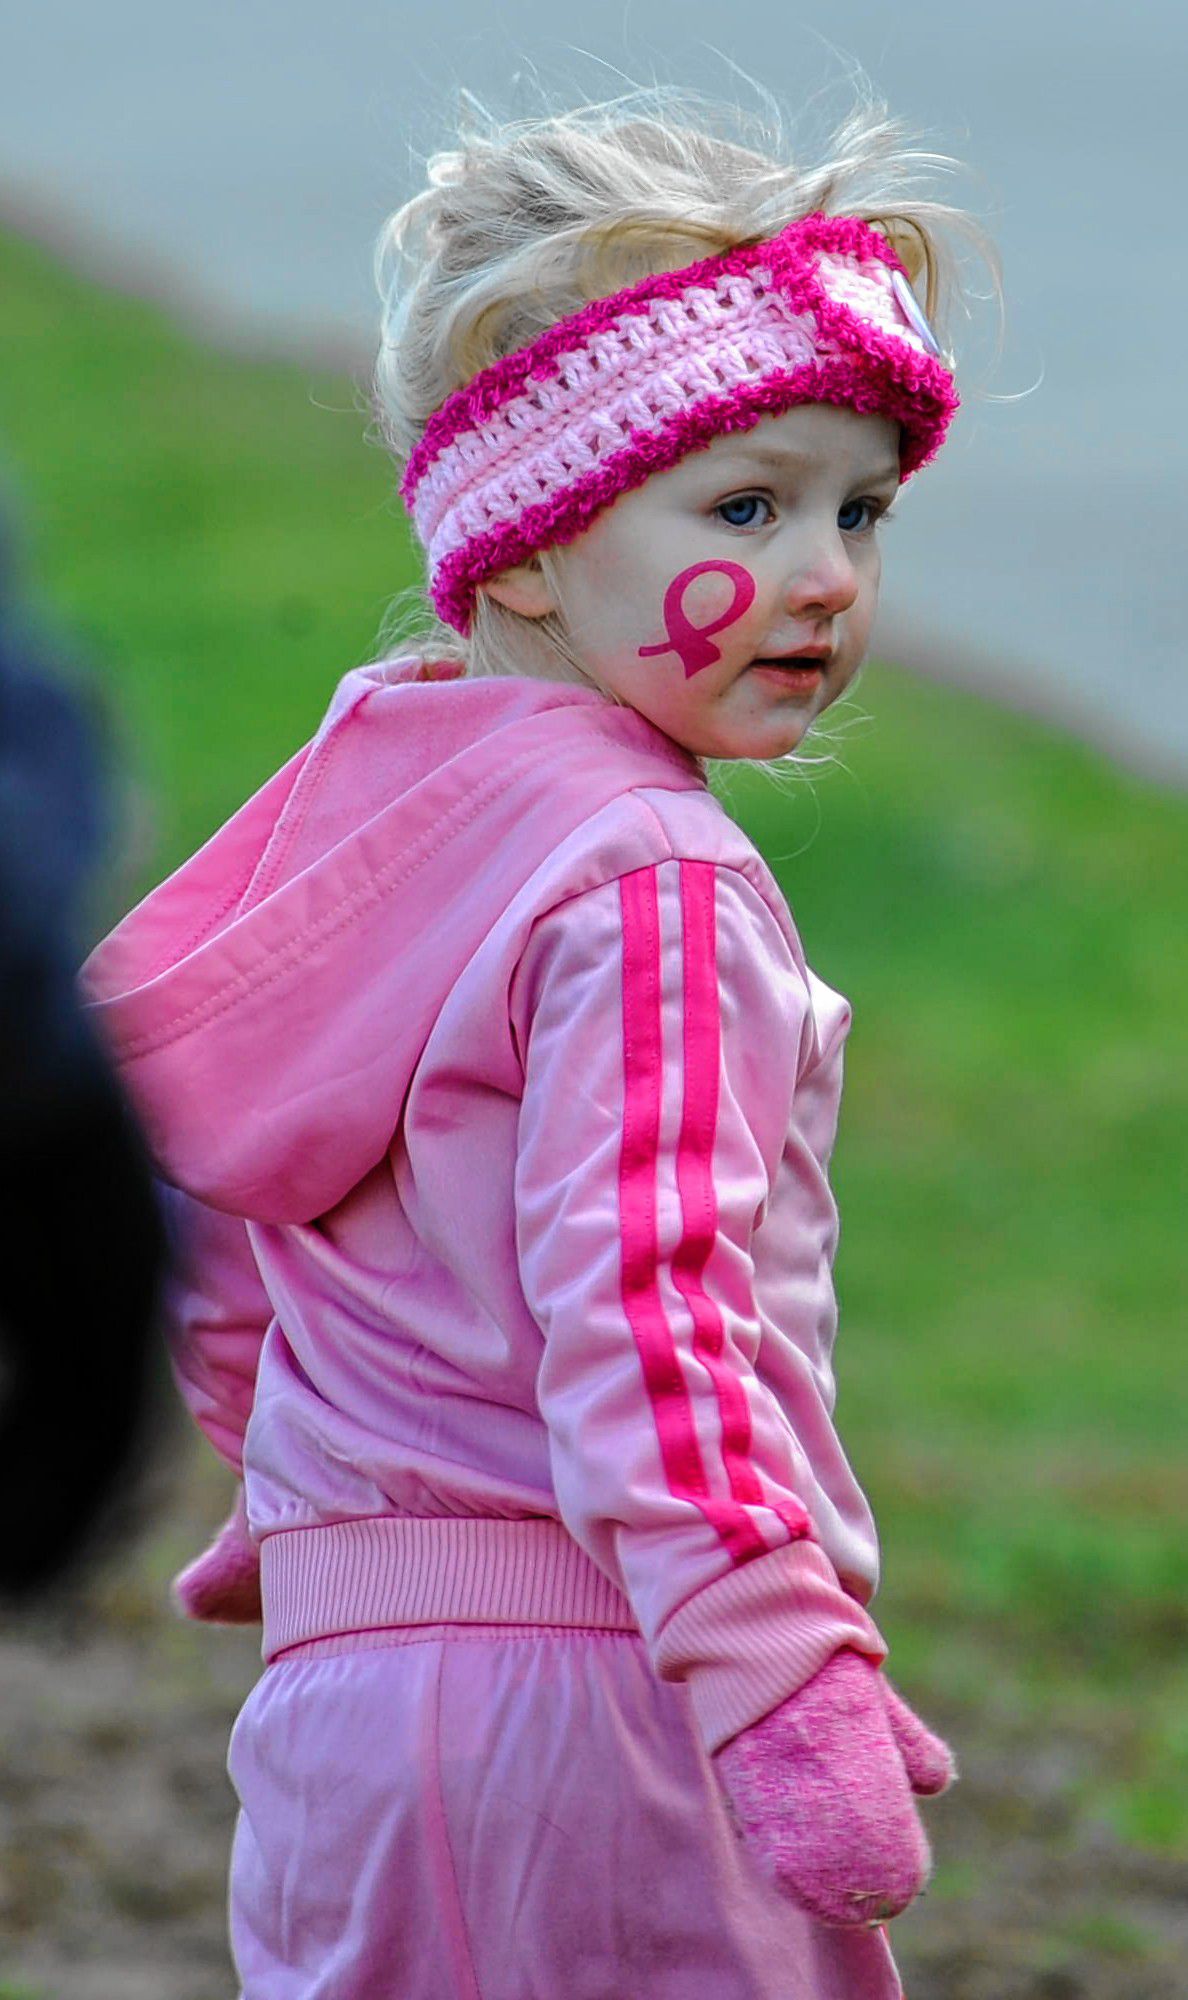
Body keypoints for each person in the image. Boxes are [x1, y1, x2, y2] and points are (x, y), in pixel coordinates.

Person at [81, 81, 1000, 2000]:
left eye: (857, 509)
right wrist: (784, 1676)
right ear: (518, 549)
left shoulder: (356, 822)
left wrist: (313, 1508)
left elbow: (223, 1205)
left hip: (342, 1713)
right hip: (621, 1695)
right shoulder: (643, 877)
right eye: (742, 506)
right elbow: (647, 1309)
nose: (826, 572)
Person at [0, 519, 168, 1604]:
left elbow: (49, 881)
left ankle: (32, 1545)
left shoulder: (37, 702)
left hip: (37, 1080)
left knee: (102, 1319)